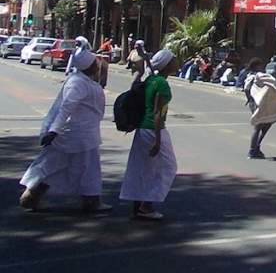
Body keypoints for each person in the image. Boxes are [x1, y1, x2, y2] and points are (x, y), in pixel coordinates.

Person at [19, 49, 109, 213]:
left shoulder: (83, 81)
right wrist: (54, 131)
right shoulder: (78, 84)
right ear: (89, 66)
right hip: (79, 135)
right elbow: (66, 108)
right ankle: (92, 201)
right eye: (95, 63)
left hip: (77, 134)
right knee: (88, 169)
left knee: (54, 165)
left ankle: (32, 195)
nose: (98, 65)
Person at [120, 49, 179, 220]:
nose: (176, 61)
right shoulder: (161, 84)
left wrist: (146, 58)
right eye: (173, 59)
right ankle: (147, 205)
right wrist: (158, 141)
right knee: (169, 167)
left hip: (143, 129)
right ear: (168, 65)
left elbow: (152, 70)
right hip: (154, 129)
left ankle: (139, 203)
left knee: (144, 167)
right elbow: (157, 113)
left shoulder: (152, 79)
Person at [243, 59, 276, 159]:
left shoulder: (251, 76)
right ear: (257, 66)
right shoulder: (258, 76)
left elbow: (246, 89)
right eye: (261, 65)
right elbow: (273, 83)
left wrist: (249, 98)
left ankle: (256, 147)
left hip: (255, 102)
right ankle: (252, 150)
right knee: (259, 126)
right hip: (258, 103)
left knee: (265, 124)